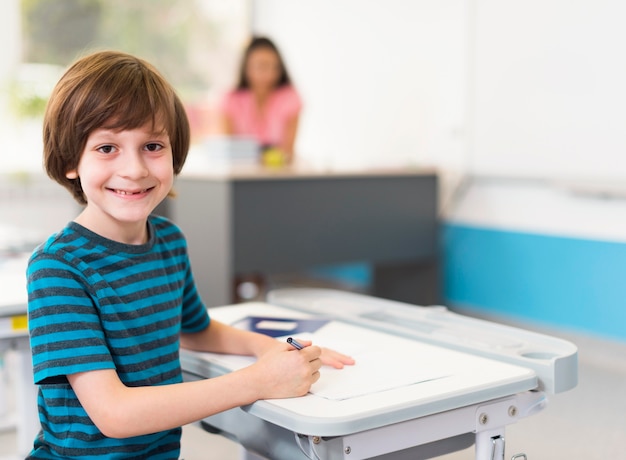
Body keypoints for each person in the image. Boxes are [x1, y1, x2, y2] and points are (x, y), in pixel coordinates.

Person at [26, 50, 354, 459]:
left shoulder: (168, 240)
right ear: (70, 160)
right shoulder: (58, 269)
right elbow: (115, 415)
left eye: (152, 145)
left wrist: (266, 348)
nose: (134, 169)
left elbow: (196, 329)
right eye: (107, 148)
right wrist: (258, 380)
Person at [219, 36, 301, 163]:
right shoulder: (231, 99)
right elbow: (229, 147)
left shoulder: (290, 98)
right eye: (260, 66)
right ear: (246, 67)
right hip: (241, 172)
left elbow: (288, 150)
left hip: (278, 172)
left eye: (273, 66)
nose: (267, 73)